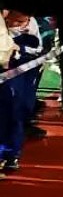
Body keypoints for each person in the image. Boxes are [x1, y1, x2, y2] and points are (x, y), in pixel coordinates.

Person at [0, 11, 43, 173]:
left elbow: (37, 48)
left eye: (23, 22)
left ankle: (10, 155)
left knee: (13, 111)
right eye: (17, 22)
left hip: (14, 73)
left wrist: (17, 48)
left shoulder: (28, 33)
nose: (20, 25)